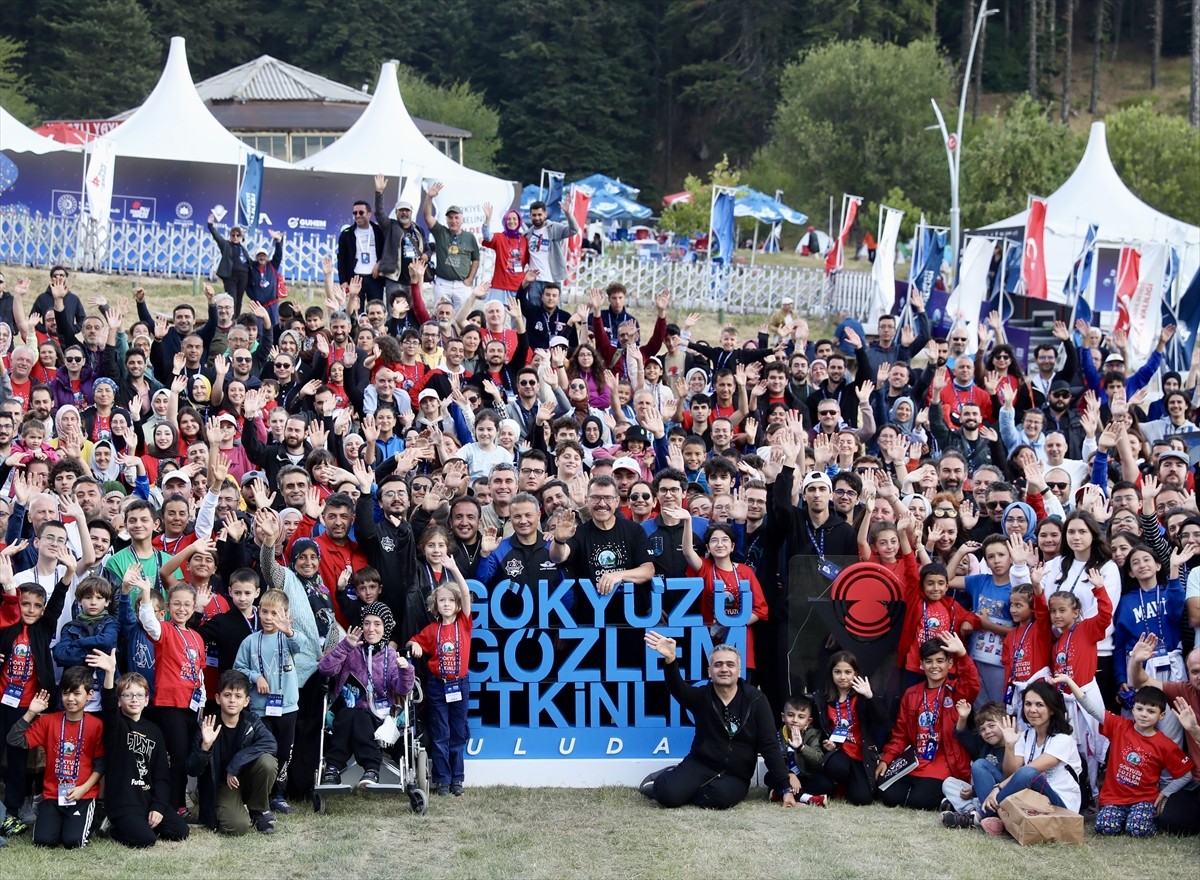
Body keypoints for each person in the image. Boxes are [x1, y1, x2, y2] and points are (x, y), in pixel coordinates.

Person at [640, 633, 797, 809]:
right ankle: (669, 779)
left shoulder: (756, 700)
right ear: (709, 671)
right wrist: (670, 659)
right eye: (718, 664)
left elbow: (769, 746)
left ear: (739, 671)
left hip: (736, 775)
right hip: (700, 764)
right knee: (668, 796)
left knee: (719, 799)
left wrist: (785, 788)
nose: (724, 669)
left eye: (730, 664)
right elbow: (678, 689)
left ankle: (685, 789)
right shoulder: (701, 696)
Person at [1056, 674, 1193, 838]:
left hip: (1144, 800)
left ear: (1161, 715)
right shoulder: (1119, 726)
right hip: (1114, 798)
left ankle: (1136, 820)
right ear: (1133, 709)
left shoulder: (1165, 744)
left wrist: (1164, 793)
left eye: (1151, 711)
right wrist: (1070, 681)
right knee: (1104, 828)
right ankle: (1124, 819)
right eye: (1140, 709)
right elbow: (1091, 708)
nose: (1144, 714)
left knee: (1138, 830)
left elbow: (1186, 775)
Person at [88, 647, 190, 848]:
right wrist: (110, 673)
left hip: (148, 799)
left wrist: (159, 807)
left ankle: (140, 824)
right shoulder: (116, 725)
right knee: (146, 840)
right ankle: (113, 827)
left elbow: (162, 776)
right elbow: (108, 706)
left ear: (146, 700)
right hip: (124, 803)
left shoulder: (155, 731)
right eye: (127, 695)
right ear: (119, 701)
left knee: (180, 831)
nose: (134, 699)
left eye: (139, 695)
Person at [0, 557, 70, 837]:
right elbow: (7, 605)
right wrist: (7, 584)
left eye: (36, 606)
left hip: (28, 706)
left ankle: (13, 811)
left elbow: (58, 602)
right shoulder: (6, 627)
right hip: (1, 701)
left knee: (19, 760)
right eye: (25, 604)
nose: (31, 610)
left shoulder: (43, 629)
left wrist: (70, 572)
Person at [232, 588, 316, 816]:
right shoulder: (250, 641)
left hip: (287, 707)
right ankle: (259, 794)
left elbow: (303, 646)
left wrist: (289, 631)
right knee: (262, 752)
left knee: (283, 753)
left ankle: (279, 794)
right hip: (260, 709)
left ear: (286, 614)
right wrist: (255, 676)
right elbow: (238, 669)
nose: (269, 618)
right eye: (265, 612)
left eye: (275, 613)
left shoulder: (287, 638)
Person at [878, 633, 980, 810]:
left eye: (940, 661)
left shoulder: (956, 690)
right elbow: (900, 734)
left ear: (950, 664)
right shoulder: (912, 693)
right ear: (921, 664)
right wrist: (886, 759)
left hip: (943, 763)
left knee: (919, 801)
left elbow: (972, 684)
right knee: (888, 796)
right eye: (929, 661)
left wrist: (963, 655)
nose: (934, 666)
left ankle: (945, 798)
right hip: (915, 760)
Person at [4, 667, 104, 848]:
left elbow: (101, 763)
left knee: (73, 842)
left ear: (89, 695)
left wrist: (84, 788)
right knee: (43, 841)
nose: (70, 699)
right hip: (52, 794)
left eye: (76, 693)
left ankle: (86, 820)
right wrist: (31, 713)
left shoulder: (97, 725)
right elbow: (14, 740)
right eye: (66, 693)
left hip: (83, 794)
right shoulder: (48, 721)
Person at [318, 603, 415, 787]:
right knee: (350, 715)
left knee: (361, 717)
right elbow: (325, 669)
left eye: (377, 624)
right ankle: (333, 768)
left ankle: (369, 767)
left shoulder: (391, 655)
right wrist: (345, 646)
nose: (371, 629)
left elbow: (403, 690)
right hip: (346, 712)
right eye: (367, 623)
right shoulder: (350, 648)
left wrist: (405, 670)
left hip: (379, 715)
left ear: (385, 627)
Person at [972, 682, 1083, 836]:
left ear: (1051, 709)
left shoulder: (1063, 739)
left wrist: (997, 788)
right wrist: (1010, 745)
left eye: (1039, 705)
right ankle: (994, 819)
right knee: (980, 765)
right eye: (1028, 704)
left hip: (1059, 803)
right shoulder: (1026, 736)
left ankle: (980, 816)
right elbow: (1011, 773)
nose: (1032, 710)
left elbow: (1029, 772)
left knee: (1028, 773)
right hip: (1030, 797)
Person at [186, 670, 279, 835]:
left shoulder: (252, 720)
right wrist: (205, 746)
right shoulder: (207, 724)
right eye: (227, 695)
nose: (232, 701)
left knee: (267, 762)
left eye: (238, 696)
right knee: (237, 827)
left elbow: (271, 744)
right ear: (217, 698)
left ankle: (258, 811)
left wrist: (235, 764)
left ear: (246, 701)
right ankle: (234, 810)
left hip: (246, 778)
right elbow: (193, 769)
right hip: (222, 786)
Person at [1126, 633, 1200, 835]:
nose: (1199, 676)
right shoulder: (1185, 690)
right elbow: (1140, 682)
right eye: (1194, 672)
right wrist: (1136, 661)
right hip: (1197, 783)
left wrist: (1195, 731)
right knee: (1170, 822)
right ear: (1188, 673)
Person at [408, 580, 472, 796]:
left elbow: (465, 592)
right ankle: (442, 780)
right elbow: (412, 641)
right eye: (442, 600)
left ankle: (457, 780)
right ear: (435, 605)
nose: (446, 604)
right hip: (437, 685)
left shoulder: (464, 623)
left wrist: (453, 570)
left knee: (458, 732)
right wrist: (415, 644)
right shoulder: (432, 630)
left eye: (451, 600)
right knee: (440, 732)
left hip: (459, 685)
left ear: (459, 604)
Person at [939, 701, 1007, 829]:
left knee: (979, 764)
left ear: (1005, 723)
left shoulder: (1012, 748)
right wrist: (963, 717)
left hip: (998, 796)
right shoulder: (983, 745)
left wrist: (973, 790)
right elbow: (962, 735)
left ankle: (971, 812)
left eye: (992, 725)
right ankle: (971, 812)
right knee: (949, 782)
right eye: (982, 729)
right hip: (977, 794)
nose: (987, 731)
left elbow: (1007, 779)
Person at [423, 183, 480, 312]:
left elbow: (476, 259)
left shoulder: (469, 237)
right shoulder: (441, 232)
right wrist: (429, 197)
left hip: (462, 285)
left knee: (462, 317)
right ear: (447, 220)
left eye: (456, 217)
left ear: (462, 220)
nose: (453, 220)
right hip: (443, 283)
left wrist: (470, 279)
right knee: (441, 315)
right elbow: (427, 216)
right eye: (450, 218)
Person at [775, 696, 829, 806]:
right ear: (783, 717)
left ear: (808, 721)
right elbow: (775, 760)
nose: (795, 720)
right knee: (770, 777)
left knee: (826, 784)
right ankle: (808, 798)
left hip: (806, 776)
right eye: (790, 715)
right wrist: (789, 774)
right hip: (787, 778)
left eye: (801, 717)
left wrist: (801, 747)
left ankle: (780, 795)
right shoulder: (778, 735)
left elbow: (819, 760)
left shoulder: (813, 734)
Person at [336, 199, 385, 303]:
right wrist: (343, 281)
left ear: (369, 214)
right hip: (355, 279)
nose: (358, 215)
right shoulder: (346, 233)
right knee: (355, 312)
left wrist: (380, 263)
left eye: (361, 212)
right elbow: (341, 259)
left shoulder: (379, 231)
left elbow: (387, 252)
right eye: (355, 213)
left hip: (375, 278)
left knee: (375, 309)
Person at [206, 214, 251, 312]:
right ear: (230, 236)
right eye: (233, 235)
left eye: (238, 235)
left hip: (243, 276)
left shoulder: (243, 249)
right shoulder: (226, 245)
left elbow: (249, 262)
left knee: (239, 300)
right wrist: (210, 225)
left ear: (241, 237)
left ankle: (236, 320)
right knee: (232, 299)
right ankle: (230, 319)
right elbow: (217, 237)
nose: (235, 237)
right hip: (231, 276)